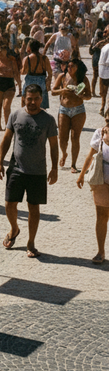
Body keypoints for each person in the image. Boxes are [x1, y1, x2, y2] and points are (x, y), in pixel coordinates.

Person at [0, 84, 58, 258]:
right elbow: (6, 139)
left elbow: (54, 145)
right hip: (16, 167)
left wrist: (54, 168)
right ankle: (14, 228)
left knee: (33, 207)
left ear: (41, 98)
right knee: (9, 203)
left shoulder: (48, 120)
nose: (32, 102)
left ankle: (31, 242)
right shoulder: (16, 115)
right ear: (23, 97)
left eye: (36, 98)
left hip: (37, 171)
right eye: (29, 98)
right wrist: (0, 162)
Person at [77, 112, 109, 264]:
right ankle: (100, 251)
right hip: (101, 180)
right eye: (107, 120)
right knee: (101, 216)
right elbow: (90, 155)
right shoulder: (99, 133)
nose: (108, 124)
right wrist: (81, 174)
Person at [52, 59, 90, 174]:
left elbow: (89, 95)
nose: (69, 68)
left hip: (78, 110)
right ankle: (64, 153)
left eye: (72, 66)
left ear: (78, 67)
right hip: (64, 109)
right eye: (68, 65)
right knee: (62, 137)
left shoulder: (83, 79)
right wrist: (63, 90)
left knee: (75, 137)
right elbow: (53, 91)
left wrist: (82, 96)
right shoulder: (62, 76)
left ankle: (73, 164)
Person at [0, 35, 21, 131]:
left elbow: (16, 73)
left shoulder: (11, 60)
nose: (0, 51)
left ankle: (7, 125)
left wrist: (20, 87)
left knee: (6, 106)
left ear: (6, 50)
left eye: (2, 49)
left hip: (9, 83)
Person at [21, 39, 52, 110]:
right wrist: (48, 82)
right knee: (42, 106)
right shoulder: (44, 58)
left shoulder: (28, 58)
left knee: (25, 102)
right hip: (41, 80)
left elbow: (23, 72)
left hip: (30, 80)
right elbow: (50, 72)